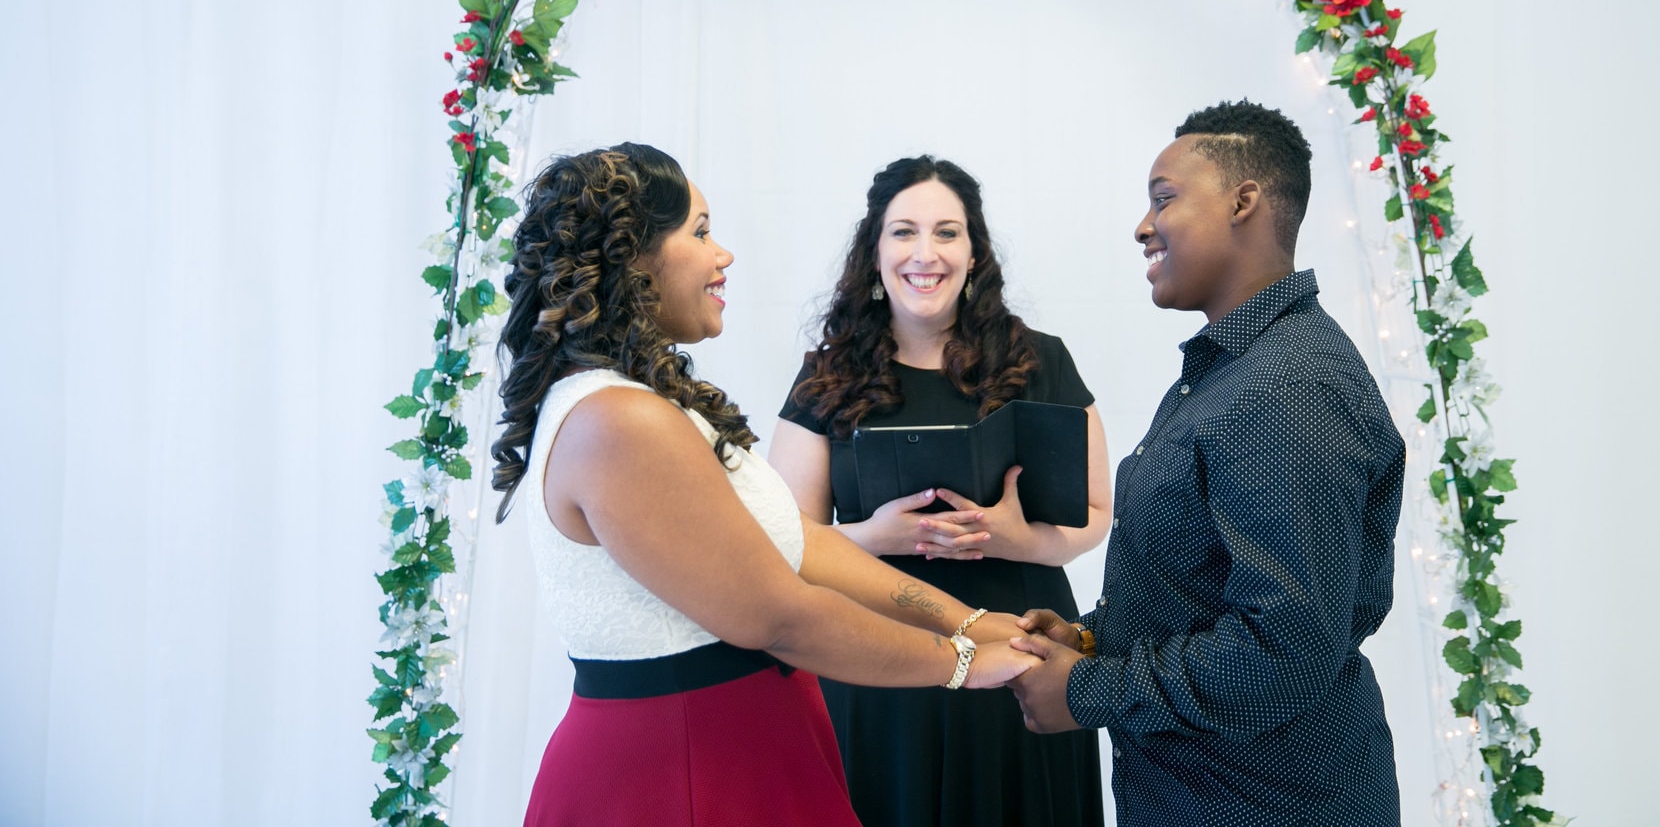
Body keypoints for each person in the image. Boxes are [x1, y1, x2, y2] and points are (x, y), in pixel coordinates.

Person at [490, 144, 1039, 827]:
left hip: (748, 744)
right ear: (633, 256)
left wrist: (969, 620)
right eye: (699, 231)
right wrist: (961, 663)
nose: (723, 255)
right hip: (683, 768)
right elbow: (780, 615)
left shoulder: (646, 402)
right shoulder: (618, 420)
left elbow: (798, 544)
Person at [1008, 101, 1407, 827]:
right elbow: (1201, 590)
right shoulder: (1230, 374)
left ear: (1242, 201)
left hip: (1264, 805)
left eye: (1164, 198)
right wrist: (1092, 639)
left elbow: (1282, 652)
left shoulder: (1287, 389)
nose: (1142, 225)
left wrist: (1087, 690)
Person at [768, 156, 1112, 827]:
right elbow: (781, 537)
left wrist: (1020, 539)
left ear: (975, 252)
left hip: (1021, 648)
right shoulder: (826, 376)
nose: (925, 253)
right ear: (873, 253)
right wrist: (879, 537)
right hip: (878, 660)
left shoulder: (1040, 360)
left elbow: (1098, 514)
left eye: (947, 232)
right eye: (903, 232)